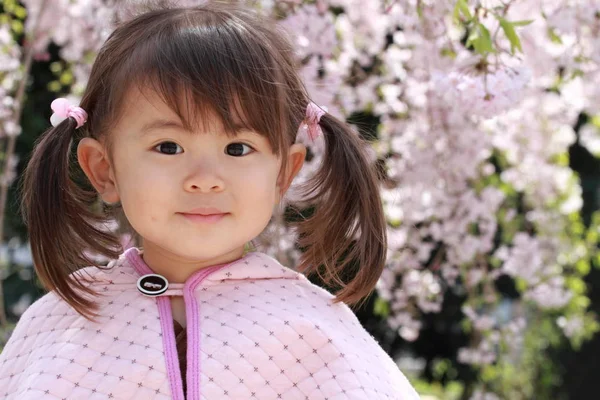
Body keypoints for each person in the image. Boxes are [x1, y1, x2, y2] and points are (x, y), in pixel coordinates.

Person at [0, 1, 420, 399]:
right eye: (168, 146)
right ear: (104, 169)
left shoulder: (315, 331)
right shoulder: (62, 324)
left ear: (283, 173)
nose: (205, 180)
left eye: (237, 149)